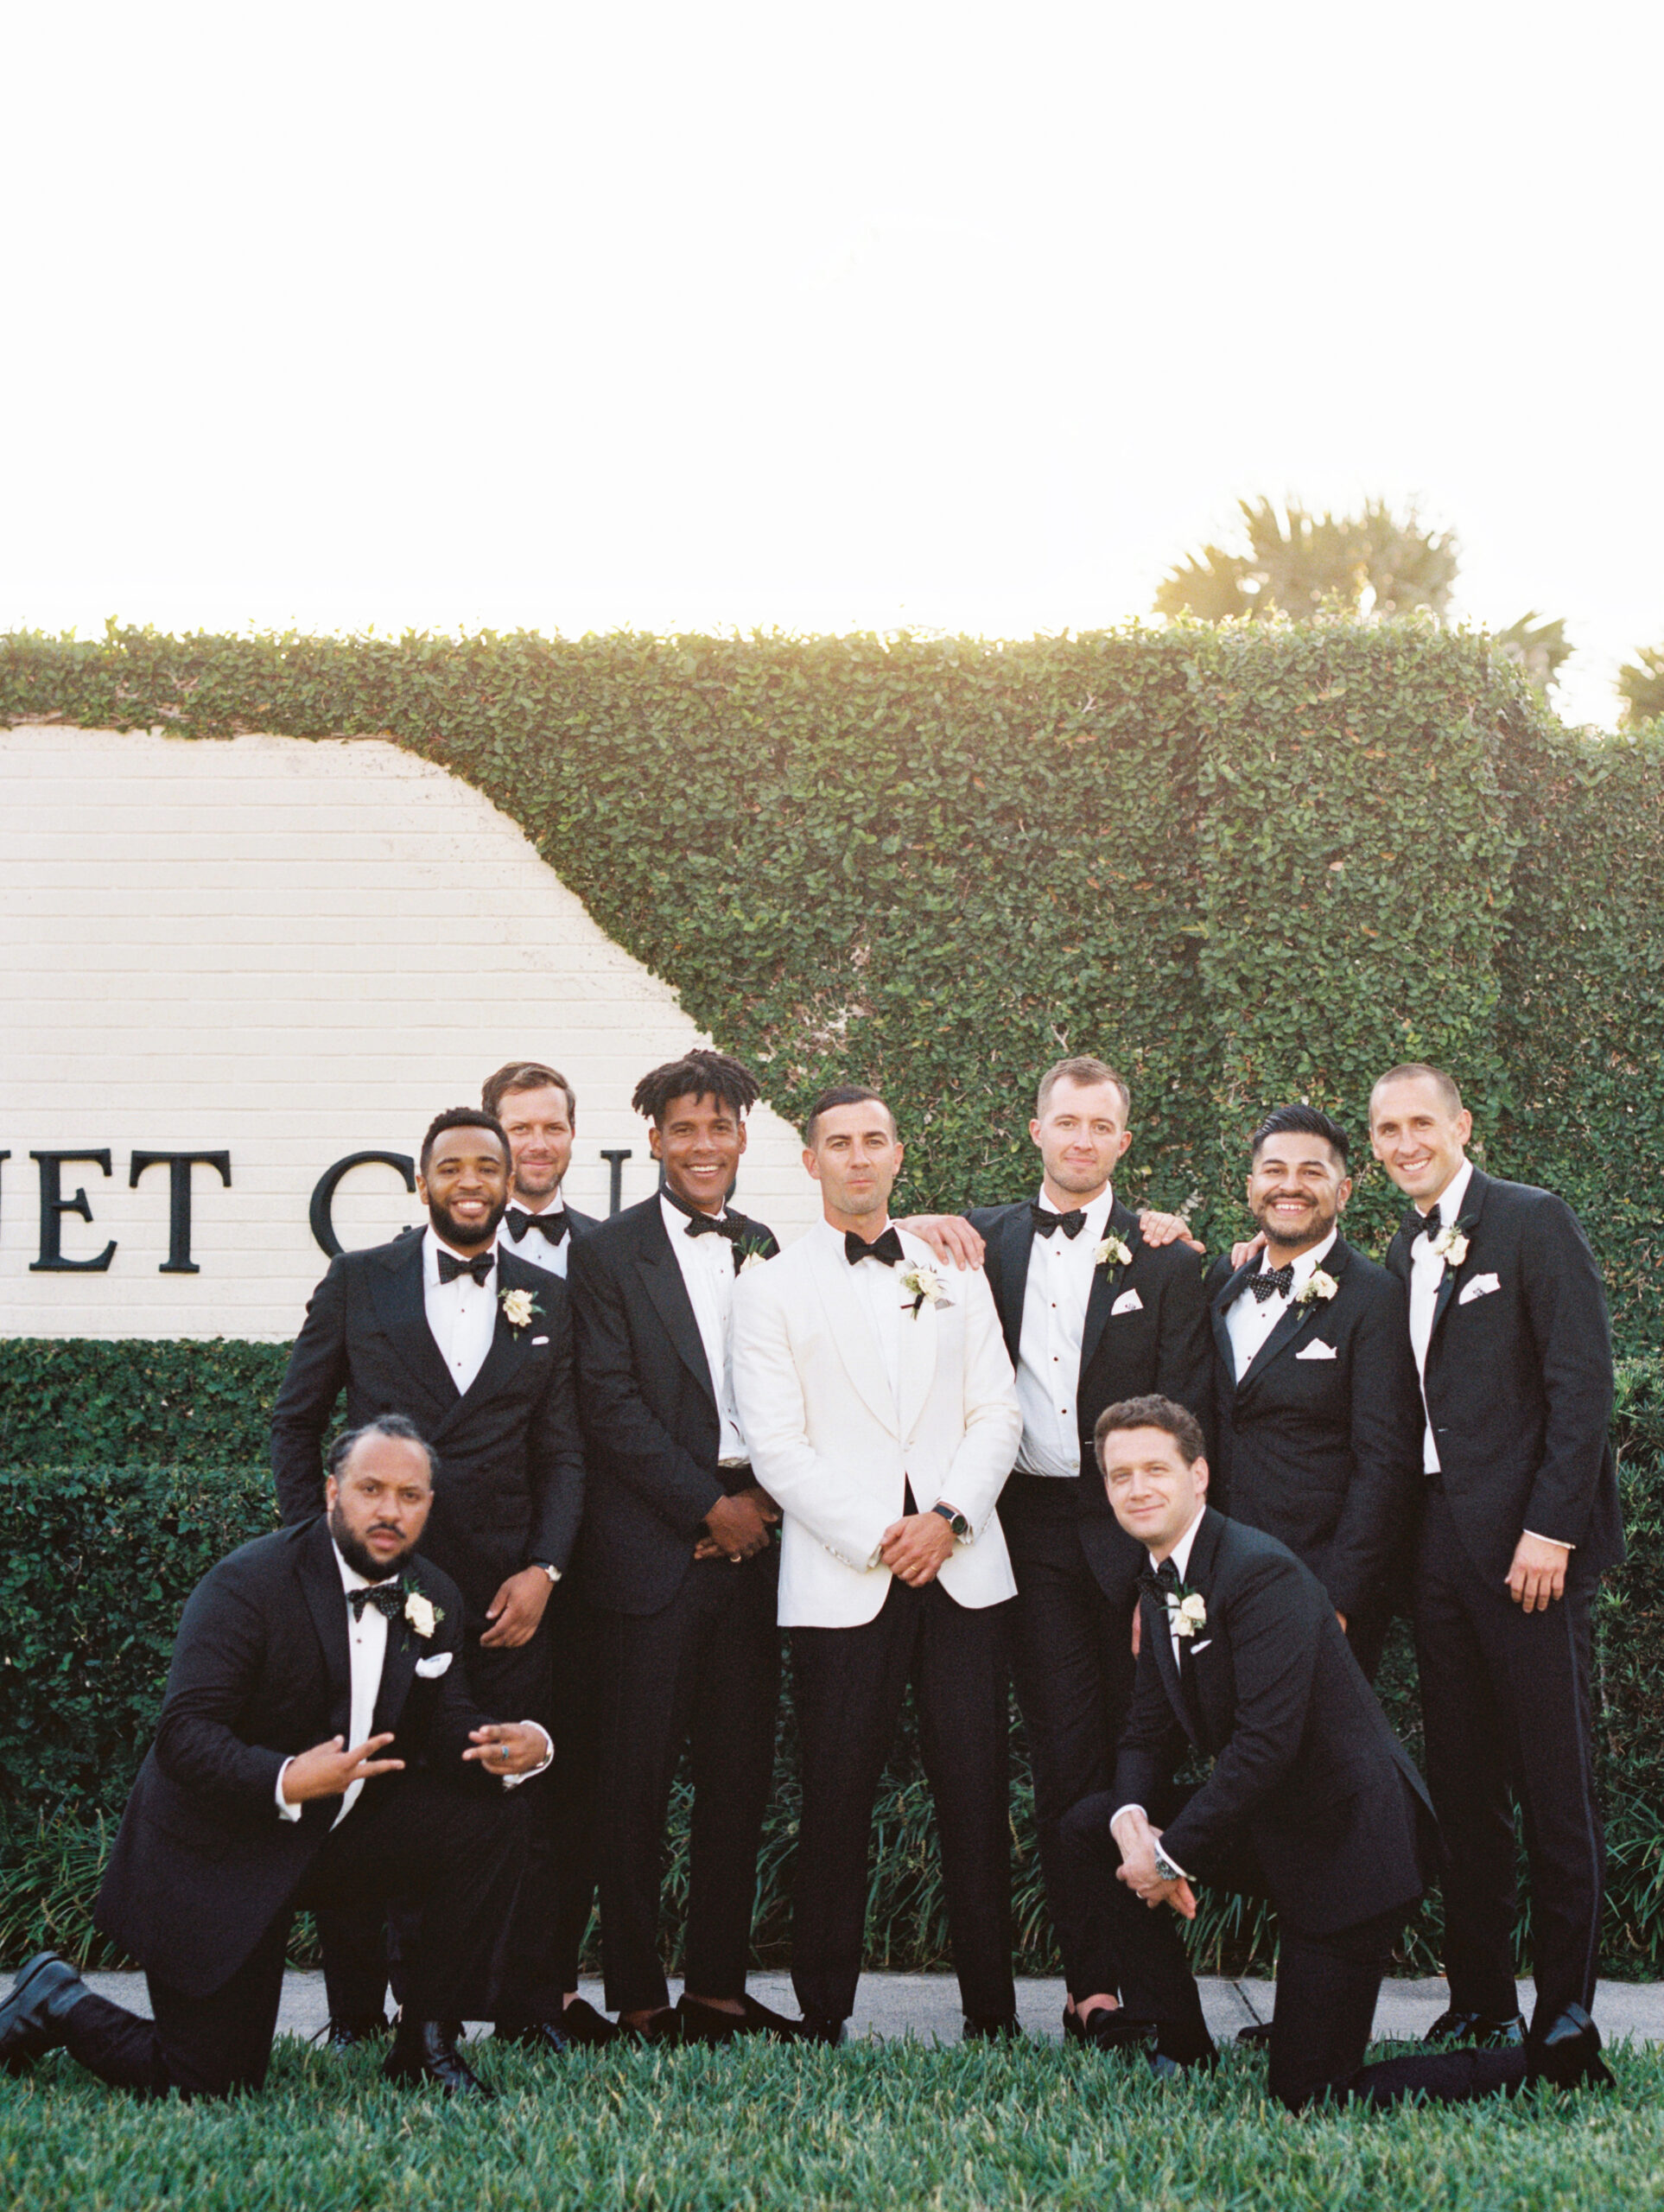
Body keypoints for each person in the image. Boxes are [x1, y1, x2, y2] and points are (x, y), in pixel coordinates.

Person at [1058, 1397, 1612, 2108]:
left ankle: (1546, 2066)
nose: (1137, 1488)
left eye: (1155, 1469)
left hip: (1351, 1849)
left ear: (1199, 1475)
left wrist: (1168, 1859)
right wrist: (1133, 1822)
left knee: (1312, 2094)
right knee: (1091, 1826)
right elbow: (1144, 1731)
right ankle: (1182, 2044)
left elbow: (1266, 1746)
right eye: (1120, 1475)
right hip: (1278, 1829)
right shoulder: (1160, 1585)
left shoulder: (1260, 1572)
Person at [0, 1418, 550, 2101]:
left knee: (493, 1814)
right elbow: (183, 1735)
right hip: (221, 1850)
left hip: (333, 1840)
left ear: (429, 1505)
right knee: (208, 2083)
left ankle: (425, 2046)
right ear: (332, 1492)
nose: (390, 1510)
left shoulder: (432, 1593)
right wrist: (288, 1777)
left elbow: (448, 1722)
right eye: (371, 1489)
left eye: (409, 1495)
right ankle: (56, 2000)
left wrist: (517, 1744)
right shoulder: (248, 1583)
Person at [904, 1054, 1212, 2040]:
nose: (1082, 1140)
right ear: (1036, 1129)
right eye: (1066, 1122)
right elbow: (868, 1245)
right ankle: (1093, 1988)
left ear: (1124, 1140)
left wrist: (1167, 1567)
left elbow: (1190, 1422)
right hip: (1024, 1530)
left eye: (1100, 1125)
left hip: (1131, 1531)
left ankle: (1147, 1970)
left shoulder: (1167, 1259)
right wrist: (920, 1222)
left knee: (1142, 1755)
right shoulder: (979, 1240)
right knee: (1065, 1751)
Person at [269, 1106, 585, 2056]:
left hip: (502, 1596)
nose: (471, 1181)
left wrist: (545, 1568)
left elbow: (563, 1451)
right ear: (423, 1181)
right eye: (452, 1166)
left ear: (509, 1181)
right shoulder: (358, 1280)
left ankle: (517, 2004)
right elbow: (296, 1422)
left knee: (506, 1782)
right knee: (366, 1778)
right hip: (377, 1579)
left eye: (487, 1165)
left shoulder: (547, 1296)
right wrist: (318, 1557)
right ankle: (357, 2012)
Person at [732, 1084, 1025, 2044]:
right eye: (838, 1143)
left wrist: (947, 1518)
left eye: (874, 1141)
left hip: (963, 1569)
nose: (858, 1157)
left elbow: (998, 1411)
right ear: (810, 1161)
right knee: (835, 1795)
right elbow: (776, 1446)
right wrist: (882, 1535)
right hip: (842, 1577)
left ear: (899, 1155)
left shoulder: (954, 1270)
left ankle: (992, 2011)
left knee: (975, 1793)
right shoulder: (770, 1286)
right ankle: (824, 2010)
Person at [1371, 1064, 1623, 2053]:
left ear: (1461, 1124)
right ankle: (1480, 2001)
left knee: (1555, 1787)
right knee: (1464, 1785)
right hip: (1436, 1547)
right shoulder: (1401, 1247)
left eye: (1420, 1123)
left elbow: (1582, 1381)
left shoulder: (1531, 1220)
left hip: (1530, 1550)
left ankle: (1564, 2014)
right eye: (1386, 1129)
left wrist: (1552, 1529)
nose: (1404, 1143)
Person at [568, 1049, 798, 2045]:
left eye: (719, 1126)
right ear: (655, 1139)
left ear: (742, 1136)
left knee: (738, 1783)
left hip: (754, 1553)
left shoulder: (765, 1242)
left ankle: (715, 1990)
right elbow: (609, 1403)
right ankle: (637, 1995)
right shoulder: (609, 1252)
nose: (704, 1144)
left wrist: (763, 1505)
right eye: (685, 1128)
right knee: (633, 1786)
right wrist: (707, 1508)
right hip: (651, 1559)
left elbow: (796, 1383)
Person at [481, 1058, 611, 2046]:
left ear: (573, 1135)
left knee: (574, 1779)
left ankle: (551, 1989)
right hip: (481, 1555)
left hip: (601, 1555)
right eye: (519, 1127)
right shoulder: (434, 1255)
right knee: (465, 1770)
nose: (537, 1142)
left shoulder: (613, 1252)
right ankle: (435, 1986)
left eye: (551, 1126)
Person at [1207, 1104, 1420, 1684]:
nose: (1290, 1186)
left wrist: (1340, 1597)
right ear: (1251, 1186)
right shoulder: (1223, 1284)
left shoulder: (1376, 1298)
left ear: (1343, 1191)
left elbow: (1386, 1461)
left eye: (1312, 1172)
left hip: (1318, 1583)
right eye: (1274, 1171)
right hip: (1221, 1575)